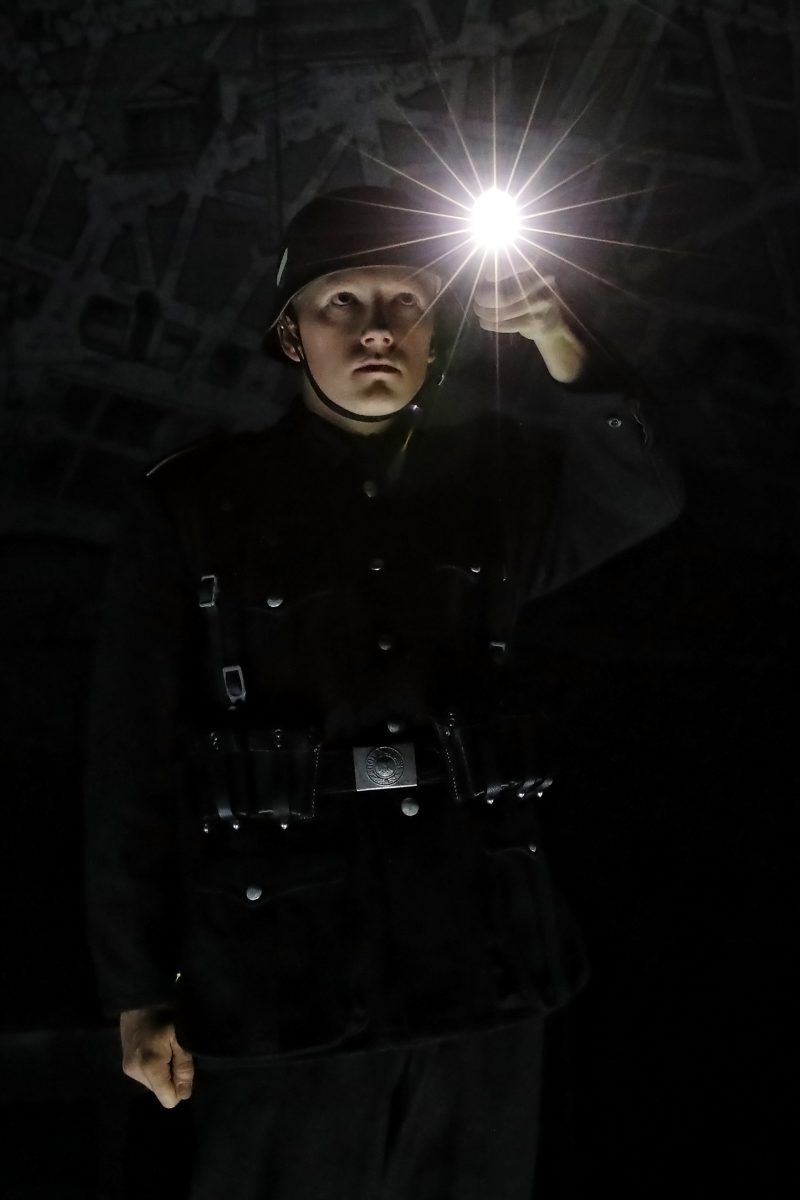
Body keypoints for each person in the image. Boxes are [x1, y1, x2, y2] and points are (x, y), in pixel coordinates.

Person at [85, 186, 682, 1199]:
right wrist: (136, 991)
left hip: (480, 962)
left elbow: (642, 490)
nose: (376, 329)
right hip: (283, 974)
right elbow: (127, 764)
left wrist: (553, 331)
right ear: (291, 334)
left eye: (405, 302)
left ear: (436, 328)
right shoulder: (194, 504)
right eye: (341, 303)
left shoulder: (493, 481)